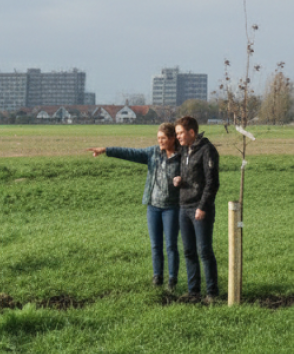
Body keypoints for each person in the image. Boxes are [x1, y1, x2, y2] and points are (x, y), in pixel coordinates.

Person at [87, 122, 182, 291]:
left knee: (171, 245)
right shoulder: (152, 153)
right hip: (153, 206)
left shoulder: (182, 156)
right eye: (158, 138)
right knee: (155, 245)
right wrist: (106, 150)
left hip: (172, 207)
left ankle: (172, 280)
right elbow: (130, 153)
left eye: (163, 138)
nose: (160, 141)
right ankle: (157, 276)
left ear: (173, 138)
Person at [174, 116, 220, 304]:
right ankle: (193, 292)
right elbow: (191, 177)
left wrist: (202, 207)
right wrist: (178, 180)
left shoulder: (207, 151)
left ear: (192, 132)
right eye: (176, 134)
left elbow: (212, 183)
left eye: (180, 133)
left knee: (204, 251)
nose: (178, 137)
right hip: (183, 207)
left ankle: (212, 293)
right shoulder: (185, 151)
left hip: (200, 209)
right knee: (188, 252)